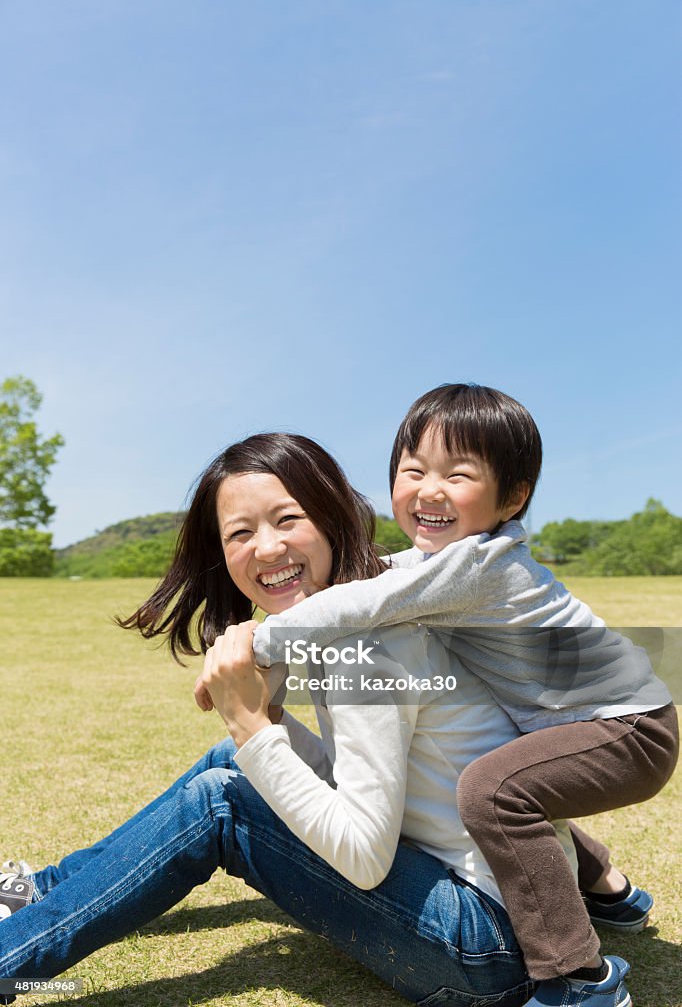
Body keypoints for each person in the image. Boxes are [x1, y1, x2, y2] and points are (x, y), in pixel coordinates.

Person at [2, 430, 592, 1007]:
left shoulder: (371, 644)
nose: (265, 549)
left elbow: (364, 858)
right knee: (232, 766)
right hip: (489, 907)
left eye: (288, 520)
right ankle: (38, 893)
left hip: (492, 947)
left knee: (223, 800)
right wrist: (263, 723)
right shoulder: (349, 616)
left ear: (333, 517)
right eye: (240, 533)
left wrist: (254, 727)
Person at [248, 386, 679, 1007]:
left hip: (628, 730)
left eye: (459, 474)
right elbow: (387, 576)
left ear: (512, 497)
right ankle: (611, 891)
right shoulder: (449, 563)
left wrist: (267, 642)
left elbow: (369, 600)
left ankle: (580, 980)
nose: (429, 489)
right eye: (413, 470)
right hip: (606, 718)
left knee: (495, 791)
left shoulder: (484, 566)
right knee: (515, 768)